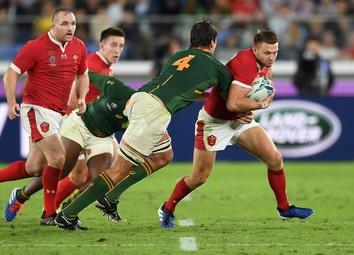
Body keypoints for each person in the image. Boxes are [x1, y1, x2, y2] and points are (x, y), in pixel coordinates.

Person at [54, 19, 273, 231]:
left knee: (163, 156)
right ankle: (68, 214)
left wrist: (204, 97)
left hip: (140, 99)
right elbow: (230, 102)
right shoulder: (218, 68)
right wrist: (253, 105)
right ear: (213, 43)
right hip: (153, 113)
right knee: (119, 170)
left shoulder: (178, 56)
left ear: (192, 39)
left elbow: (180, 87)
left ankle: (109, 197)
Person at [158, 30, 314, 228]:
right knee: (199, 177)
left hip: (239, 121)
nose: (272, 57)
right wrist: (262, 105)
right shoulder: (245, 63)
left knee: (275, 159)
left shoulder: (265, 66)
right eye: (267, 52)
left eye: (275, 52)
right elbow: (233, 103)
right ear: (255, 49)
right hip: (215, 121)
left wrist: (251, 112)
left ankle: (284, 208)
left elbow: (256, 93)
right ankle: (167, 208)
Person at [2, 27, 126, 224]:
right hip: (75, 124)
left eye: (120, 46)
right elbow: (70, 89)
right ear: (101, 45)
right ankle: (47, 208)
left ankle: (46, 207)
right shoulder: (92, 64)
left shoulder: (104, 66)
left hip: (94, 127)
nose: (117, 50)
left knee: (49, 169)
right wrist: (79, 104)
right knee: (57, 170)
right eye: (113, 45)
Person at [1, 8, 89, 224]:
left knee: (35, 168)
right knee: (58, 157)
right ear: (53, 26)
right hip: (36, 109)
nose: (70, 28)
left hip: (58, 113)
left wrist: (82, 97)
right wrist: (12, 102)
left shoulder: (79, 46)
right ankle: (49, 214)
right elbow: (11, 73)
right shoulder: (36, 46)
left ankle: (20, 195)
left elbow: (82, 75)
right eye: (65, 24)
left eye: (73, 23)